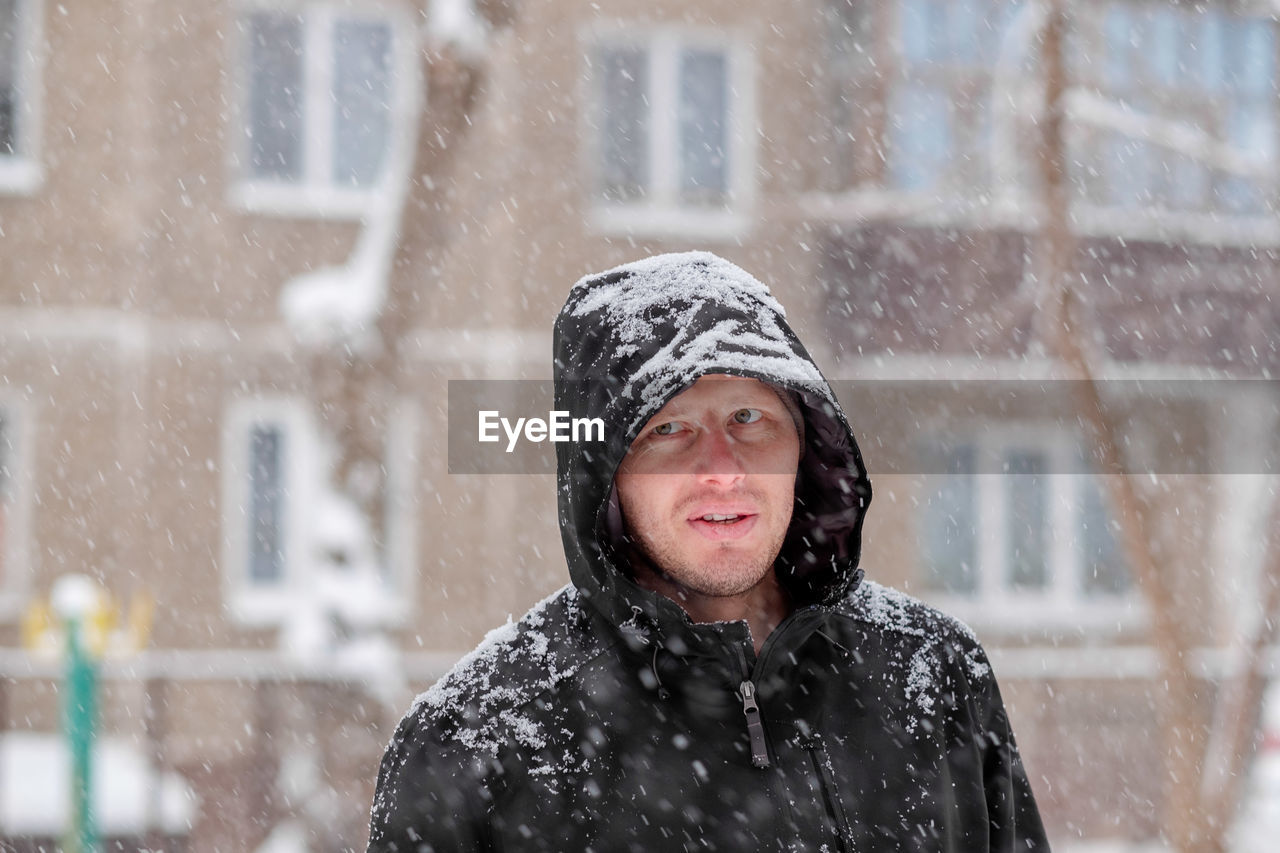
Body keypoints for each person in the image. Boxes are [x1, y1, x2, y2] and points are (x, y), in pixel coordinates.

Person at [367, 251, 1048, 851]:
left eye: (748, 417)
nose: (722, 468)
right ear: (603, 475)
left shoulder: (932, 675)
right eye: (668, 429)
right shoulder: (480, 739)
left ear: (807, 444)